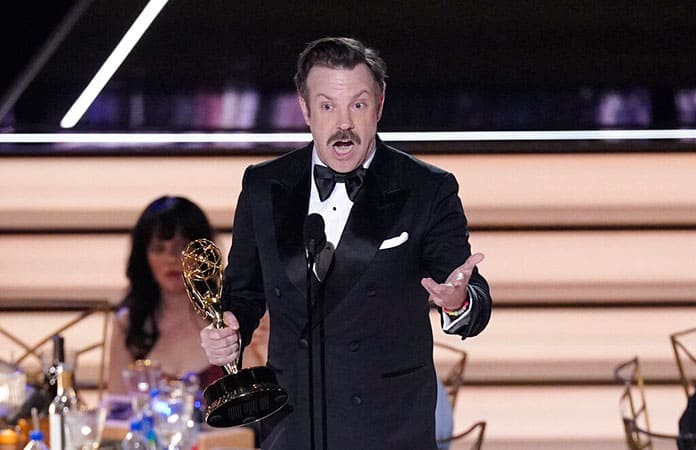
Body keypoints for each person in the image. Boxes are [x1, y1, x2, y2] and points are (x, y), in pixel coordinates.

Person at [200, 37, 492, 450]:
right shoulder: (263, 186)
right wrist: (229, 330)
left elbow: (471, 295)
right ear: (305, 109)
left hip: (387, 428)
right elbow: (244, 294)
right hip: (292, 425)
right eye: (327, 106)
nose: (343, 124)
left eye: (357, 105)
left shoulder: (426, 189)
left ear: (379, 105)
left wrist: (457, 301)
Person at [107, 196, 223, 395]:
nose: (171, 259)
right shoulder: (128, 324)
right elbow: (117, 406)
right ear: (143, 257)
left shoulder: (229, 319)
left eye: (182, 247)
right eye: (158, 249)